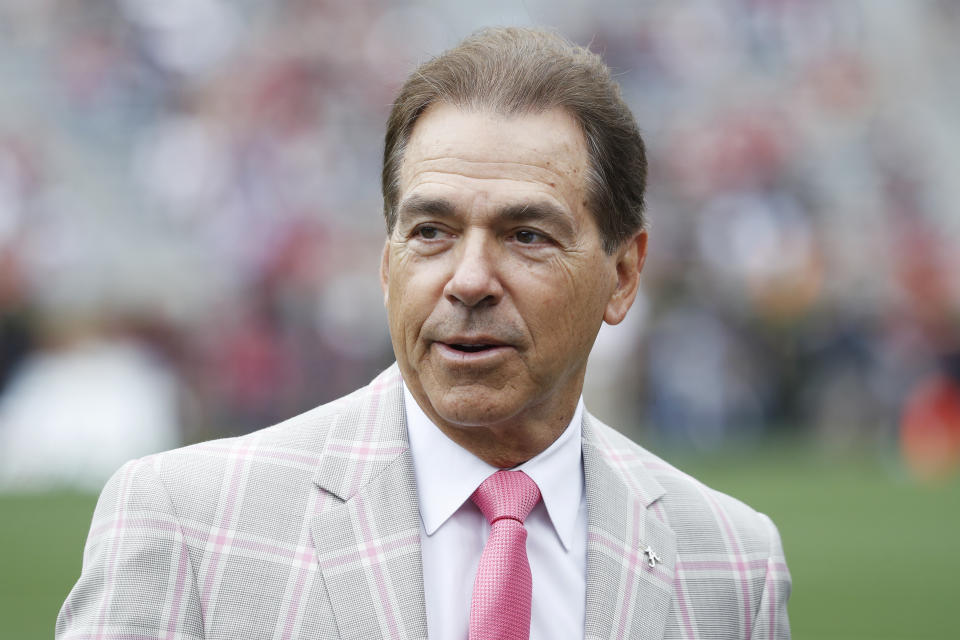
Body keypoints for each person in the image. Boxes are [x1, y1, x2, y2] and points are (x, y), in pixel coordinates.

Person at [57, 27, 791, 640]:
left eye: (527, 234)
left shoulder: (731, 564)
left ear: (624, 275)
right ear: (386, 264)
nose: (469, 279)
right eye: (432, 231)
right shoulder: (187, 520)